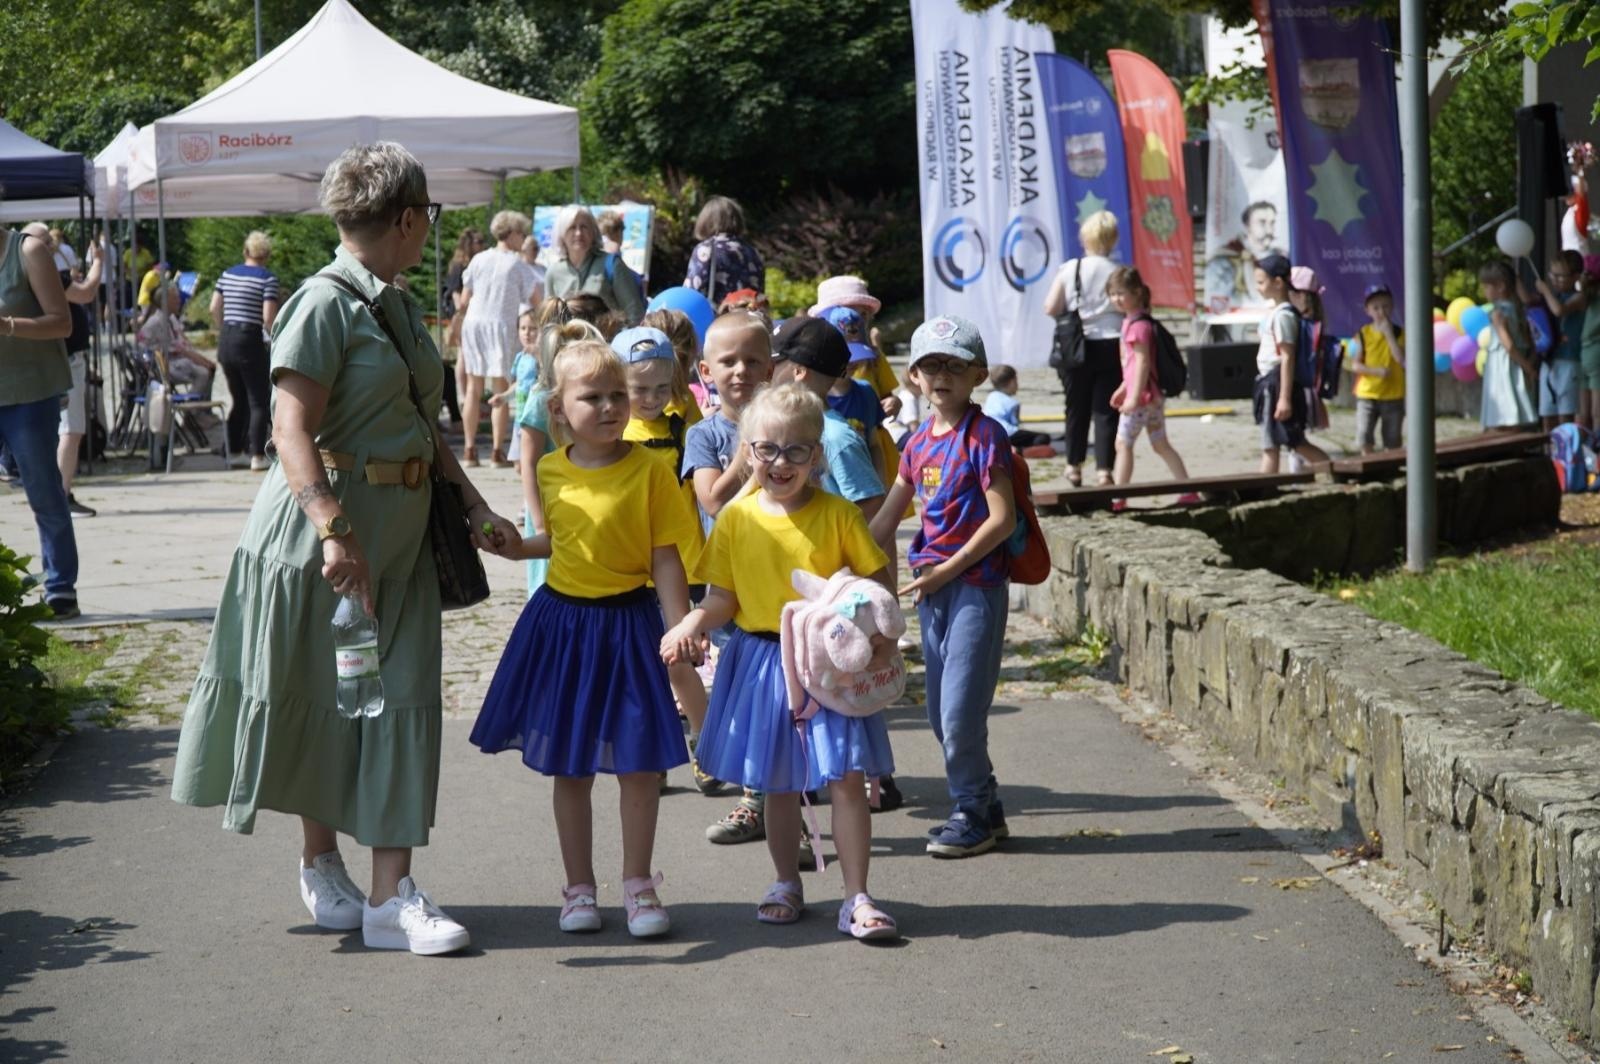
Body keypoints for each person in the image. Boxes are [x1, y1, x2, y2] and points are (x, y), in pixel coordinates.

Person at [170, 142, 520, 956]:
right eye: (427, 217)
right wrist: (333, 528)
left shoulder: (391, 301)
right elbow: (289, 429)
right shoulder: (325, 302)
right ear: (405, 218)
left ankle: (389, 897)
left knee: (398, 703)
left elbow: (420, 423)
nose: (429, 231)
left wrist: (473, 505)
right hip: (324, 538)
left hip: (398, 537)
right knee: (327, 700)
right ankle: (325, 865)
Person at [470, 339, 695, 937]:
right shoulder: (549, 468)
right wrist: (517, 546)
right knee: (571, 769)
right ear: (559, 408)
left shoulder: (651, 469)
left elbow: (666, 556)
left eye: (617, 395)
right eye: (591, 397)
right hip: (564, 629)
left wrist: (680, 629)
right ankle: (578, 891)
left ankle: (640, 886)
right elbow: (557, 540)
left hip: (630, 626)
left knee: (640, 767)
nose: (608, 406)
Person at [663, 382, 899, 940]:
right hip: (763, 661)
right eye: (766, 449)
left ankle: (856, 896)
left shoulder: (840, 515)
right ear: (747, 452)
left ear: (817, 456)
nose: (780, 462)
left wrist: (882, 638)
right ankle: (784, 882)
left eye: (796, 450)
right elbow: (722, 598)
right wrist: (691, 622)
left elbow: (875, 584)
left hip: (829, 662)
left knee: (844, 777)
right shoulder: (737, 520)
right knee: (778, 783)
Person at [868, 314, 1014, 859]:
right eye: (931, 365)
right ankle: (989, 808)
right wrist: (837, 564)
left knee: (958, 714)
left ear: (977, 374)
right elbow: (885, 520)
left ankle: (972, 811)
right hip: (933, 591)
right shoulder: (915, 444)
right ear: (913, 378)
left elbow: (1000, 519)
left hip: (975, 587)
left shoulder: (986, 436)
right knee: (938, 716)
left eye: (955, 365)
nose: (942, 376)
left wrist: (947, 570)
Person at [682, 311, 776, 844]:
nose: (740, 370)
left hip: (779, 583)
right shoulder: (704, 434)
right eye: (728, 361)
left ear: (773, 366)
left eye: (753, 360)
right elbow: (712, 499)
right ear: (705, 370)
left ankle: (777, 803)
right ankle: (756, 798)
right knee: (741, 697)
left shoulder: (786, 422)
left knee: (780, 699)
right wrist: (747, 450)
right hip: (728, 588)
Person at [614, 325, 715, 794]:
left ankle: (709, 745)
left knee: (679, 662)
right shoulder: (614, 431)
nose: (651, 398)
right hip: (631, 567)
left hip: (685, 561)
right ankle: (650, 754)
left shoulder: (683, 420)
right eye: (639, 389)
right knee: (639, 667)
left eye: (660, 387)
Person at [0, 203, 79, 619]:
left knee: (43, 492)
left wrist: (7, 324)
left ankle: (60, 586)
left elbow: (61, 323)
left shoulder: (27, 250)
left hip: (30, 394)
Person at [26, 225, 106, 517]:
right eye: (46, 242)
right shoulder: (47, 276)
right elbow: (85, 294)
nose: (52, 247)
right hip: (66, 359)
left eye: (51, 241)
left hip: (59, 358)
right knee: (70, 430)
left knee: (63, 430)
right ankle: (62, 496)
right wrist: (99, 262)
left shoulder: (42, 277)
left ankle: (58, 494)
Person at [1043, 211, 1124, 487]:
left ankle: (1073, 465)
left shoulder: (1071, 268)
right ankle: (1104, 471)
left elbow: (1051, 307)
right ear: (1112, 239)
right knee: (1106, 409)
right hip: (1113, 342)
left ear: (1085, 238)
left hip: (1076, 346)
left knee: (1076, 408)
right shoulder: (1118, 270)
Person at [1106, 267, 1197, 506]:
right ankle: (1188, 490)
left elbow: (1143, 362)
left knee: (1123, 444)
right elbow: (1133, 365)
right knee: (1160, 444)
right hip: (1151, 396)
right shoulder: (1134, 322)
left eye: (1120, 293)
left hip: (1143, 398)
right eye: (1112, 293)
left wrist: (1133, 396)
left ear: (1136, 293)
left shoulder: (1137, 327)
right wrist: (1123, 387)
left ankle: (1119, 496)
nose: (1116, 298)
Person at [456, 210, 540, 468]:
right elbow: (537, 299)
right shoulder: (517, 264)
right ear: (512, 233)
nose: (523, 239)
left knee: (473, 387)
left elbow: (465, 298)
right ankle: (496, 451)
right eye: (521, 233)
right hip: (500, 324)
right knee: (501, 388)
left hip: (474, 323)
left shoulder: (479, 259)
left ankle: (469, 450)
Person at [1252, 255, 1330, 473]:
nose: (1258, 288)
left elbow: (1287, 357)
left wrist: (1284, 398)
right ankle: (1267, 490)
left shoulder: (1284, 316)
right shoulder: (1277, 313)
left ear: (1278, 282)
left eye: (1261, 282)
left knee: (1282, 443)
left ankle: (1336, 472)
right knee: (1278, 443)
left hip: (1277, 385)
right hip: (1272, 383)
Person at [210, 230, 280, 472]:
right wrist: (274, 338)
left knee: (237, 399)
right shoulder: (267, 279)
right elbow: (268, 317)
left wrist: (223, 328)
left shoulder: (227, 275)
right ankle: (257, 455)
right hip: (249, 339)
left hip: (227, 339)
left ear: (246, 252)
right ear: (266, 254)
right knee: (258, 400)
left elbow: (214, 307)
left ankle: (234, 451)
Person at [810, 276, 901, 418]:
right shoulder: (814, 360)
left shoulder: (874, 358)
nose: (855, 321)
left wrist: (894, 402)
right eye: (846, 313)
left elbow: (887, 395)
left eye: (863, 314)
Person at [546, 205, 646, 325]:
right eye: (572, 227)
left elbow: (635, 314)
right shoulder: (553, 272)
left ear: (593, 232)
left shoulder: (612, 264)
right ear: (561, 234)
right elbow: (549, 321)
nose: (578, 233)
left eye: (584, 227)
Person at [1478, 259, 1538, 431]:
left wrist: (1528, 368)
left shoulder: (1498, 313)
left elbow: (1509, 346)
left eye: (1487, 286)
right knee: (1515, 413)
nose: (1484, 291)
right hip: (1517, 364)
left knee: (1502, 415)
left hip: (1504, 367)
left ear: (1501, 286)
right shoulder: (1517, 310)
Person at [1534, 250, 1587, 430]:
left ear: (1575, 277)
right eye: (1552, 275)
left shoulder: (1580, 297)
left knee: (1565, 413)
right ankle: (1549, 452)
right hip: (1550, 360)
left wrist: (1546, 291)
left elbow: (1559, 310)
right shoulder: (1553, 297)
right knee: (1547, 412)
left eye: (1560, 276)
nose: (1555, 280)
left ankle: (1566, 455)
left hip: (1569, 359)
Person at [1350, 283, 1406, 453]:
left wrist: (1388, 334)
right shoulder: (1363, 333)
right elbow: (1356, 364)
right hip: (1368, 393)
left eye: (1385, 306)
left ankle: (1391, 470)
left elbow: (1401, 359)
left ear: (1392, 307)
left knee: (1392, 439)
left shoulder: (1399, 332)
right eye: (1376, 308)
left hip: (1393, 394)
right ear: (1368, 310)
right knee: (1364, 435)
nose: (1381, 312)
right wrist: (1375, 371)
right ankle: (1367, 468)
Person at [1203, 200, 1284, 313]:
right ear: (1247, 226)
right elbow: (1218, 300)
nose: (1269, 230)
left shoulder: (1280, 257)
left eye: (1272, 223)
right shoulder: (1224, 260)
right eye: (1262, 223)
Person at [684, 195, 765, 309]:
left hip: (718, 321)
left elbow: (691, 293)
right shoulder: (752, 251)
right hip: (748, 319)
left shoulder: (706, 249)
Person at [440, 227, 483, 427]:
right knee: (464, 353)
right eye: (479, 241)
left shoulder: (475, 262)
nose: (482, 245)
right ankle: (463, 394)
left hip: (471, 312)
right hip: (463, 312)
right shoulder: (460, 264)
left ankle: (467, 393)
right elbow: (456, 291)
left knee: (467, 353)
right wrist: (461, 312)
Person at [982, 365, 1051, 450]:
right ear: (1012, 382)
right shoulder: (1013, 403)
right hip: (1007, 433)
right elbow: (1014, 425)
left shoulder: (990, 397)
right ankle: (1019, 450)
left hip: (988, 434)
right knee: (1043, 437)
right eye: (1016, 380)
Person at [1580, 256, 1600, 431]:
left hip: (1587, 352)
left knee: (1586, 410)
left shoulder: (1585, 297)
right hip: (1594, 353)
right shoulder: (1589, 297)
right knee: (1595, 410)